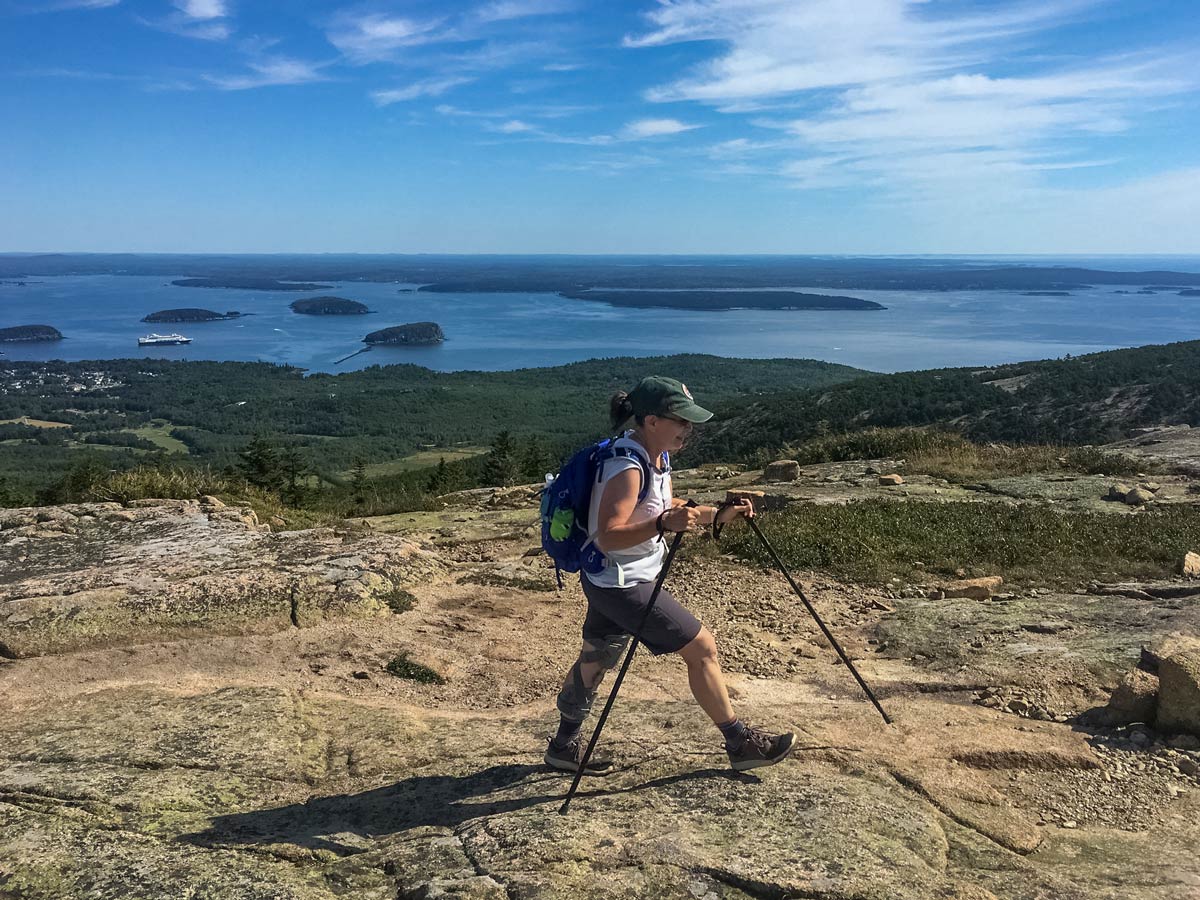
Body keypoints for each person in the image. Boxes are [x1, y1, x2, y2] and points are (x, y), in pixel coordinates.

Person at [545, 376, 796, 775]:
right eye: (679, 419)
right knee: (702, 649)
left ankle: (563, 746)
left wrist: (718, 514)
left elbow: (664, 505)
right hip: (623, 582)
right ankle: (740, 743)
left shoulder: (656, 457)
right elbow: (610, 535)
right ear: (650, 420)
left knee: (597, 657)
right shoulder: (627, 465)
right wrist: (664, 524)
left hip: (610, 578)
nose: (687, 428)